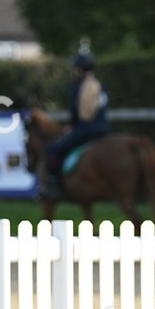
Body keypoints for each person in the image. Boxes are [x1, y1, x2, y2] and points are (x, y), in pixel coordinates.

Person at [40, 51, 111, 198]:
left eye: (74, 68)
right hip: (104, 129)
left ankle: (53, 183)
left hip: (86, 129)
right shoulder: (100, 85)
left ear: (79, 69)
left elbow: (76, 113)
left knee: (53, 149)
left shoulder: (78, 87)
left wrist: (71, 126)